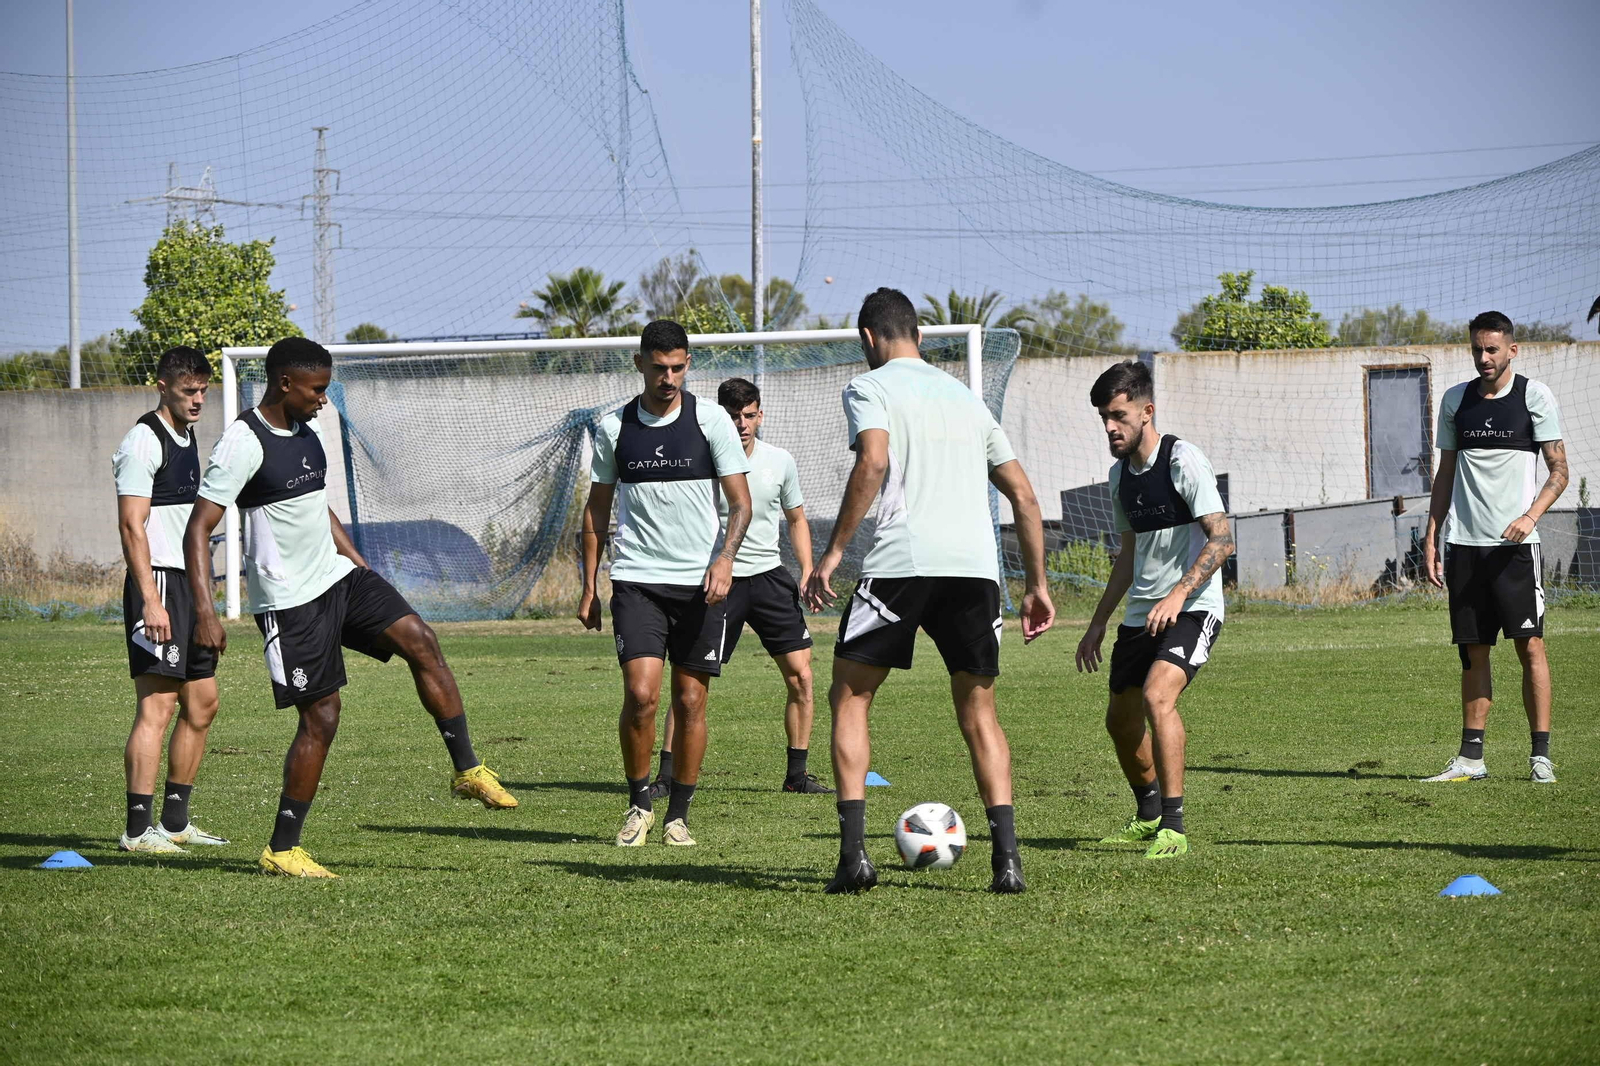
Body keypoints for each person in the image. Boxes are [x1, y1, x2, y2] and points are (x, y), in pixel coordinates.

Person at [184, 337, 517, 879]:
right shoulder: (243, 442)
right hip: (291, 600)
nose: (323, 399)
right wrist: (206, 610)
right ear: (285, 383)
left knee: (422, 641)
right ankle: (282, 849)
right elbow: (200, 528)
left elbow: (320, 505)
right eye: (317, 390)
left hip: (341, 578)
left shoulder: (308, 432)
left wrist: (359, 564)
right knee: (323, 716)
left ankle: (468, 768)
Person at [804, 287, 1055, 894]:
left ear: (868, 338)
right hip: (975, 570)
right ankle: (1008, 863)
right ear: (917, 332)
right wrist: (1037, 585)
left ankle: (853, 858)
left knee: (850, 696)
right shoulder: (969, 401)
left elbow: (873, 462)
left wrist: (833, 552)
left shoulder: (870, 388)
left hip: (901, 563)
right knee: (979, 712)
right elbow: (1023, 495)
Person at [578, 320, 753, 847]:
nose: (669, 378)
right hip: (636, 580)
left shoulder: (712, 422)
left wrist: (725, 560)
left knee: (691, 700)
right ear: (640, 364)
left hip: (701, 583)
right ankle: (638, 805)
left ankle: (678, 814)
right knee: (641, 695)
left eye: (678, 367)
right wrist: (589, 585)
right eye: (659, 368)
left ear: (688, 364)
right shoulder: (614, 429)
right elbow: (597, 510)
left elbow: (742, 503)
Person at [1074, 360, 1233, 861]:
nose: (1109, 427)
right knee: (1120, 722)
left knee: (1157, 697)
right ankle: (1146, 815)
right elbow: (1127, 556)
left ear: (1147, 411)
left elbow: (1222, 538)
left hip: (1193, 606)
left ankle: (1174, 825)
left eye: (1118, 416)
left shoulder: (1183, 460)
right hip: (1142, 613)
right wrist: (1098, 622)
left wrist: (1181, 593)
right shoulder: (1119, 475)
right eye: (1104, 417)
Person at [647, 377, 831, 798]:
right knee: (690, 682)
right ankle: (666, 777)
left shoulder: (780, 460)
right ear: (720, 418)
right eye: (733, 416)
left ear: (760, 415)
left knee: (802, 677)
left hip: (768, 579)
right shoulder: (699, 459)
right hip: (715, 580)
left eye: (749, 415)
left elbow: (797, 519)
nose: (742, 424)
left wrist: (805, 570)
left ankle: (797, 776)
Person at [1421, 311, 1567, 783]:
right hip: (1464, 545)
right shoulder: (1455, 401)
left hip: (1517, 551)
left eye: (1492, 349)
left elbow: (1560, 472)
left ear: (1512, 350)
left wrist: (1530, 517)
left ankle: (1539, 756)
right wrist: (1432, 534)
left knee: (1531, 648)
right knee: (1473, 652)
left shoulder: (1533, 396)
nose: (1484, 358)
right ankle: (1471, 759)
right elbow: (1446, 473)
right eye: (1477, 350)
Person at [112, 346, 227, 854]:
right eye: (189, 391)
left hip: (188, 584)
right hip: (156, 584)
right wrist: (149, 601)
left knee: (202, 704)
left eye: (203, 390)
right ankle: (137, 831)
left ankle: (175, 822)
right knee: (156, 708)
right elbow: (131, 525)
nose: (199, 399)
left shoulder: (188, 431)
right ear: (163, 387)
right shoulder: (142, 441)